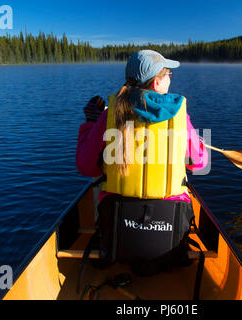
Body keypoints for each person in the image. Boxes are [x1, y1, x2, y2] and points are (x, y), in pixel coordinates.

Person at [76, 50, 208, 275]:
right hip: (170, 227)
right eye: (168, 74)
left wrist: (90, 124)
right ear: (157, 82)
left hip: (118, 223)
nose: (170, 79)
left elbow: (86, 166)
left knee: (98, 176)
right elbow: (200, 164)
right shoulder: (179, 117)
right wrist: (197, 140)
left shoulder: (109, 116)